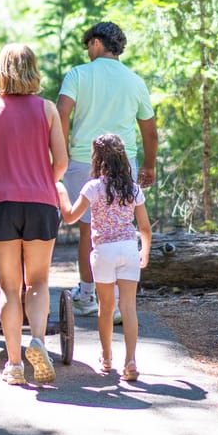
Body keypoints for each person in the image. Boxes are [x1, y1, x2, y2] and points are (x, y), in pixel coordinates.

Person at [0, 42, 68, 386]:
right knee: (37, 282)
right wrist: (41, 183)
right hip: (41, 203)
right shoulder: (48, 109)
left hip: (0, 204)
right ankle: (37, 340)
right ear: (33, 70)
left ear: (1, 71)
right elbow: (62, 162)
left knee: (9, 287)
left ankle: (14, 364)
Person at [57, 20, 157, 320]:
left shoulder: (77, 74)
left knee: (89, 227)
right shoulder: (135, 81)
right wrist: (149, 165)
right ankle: (115, 297)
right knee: (123, 225)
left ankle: (88, 296)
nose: (88, 51)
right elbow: (149, 131)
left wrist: (60, 154)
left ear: (97, 43)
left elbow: (61, 113)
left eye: (89, 45)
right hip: (123, 163)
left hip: (82, 160)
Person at [60, 133, 151, 381]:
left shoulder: (93, 188)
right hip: (129, 249)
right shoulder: (133, 189)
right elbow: (144, 227)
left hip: (103, 252)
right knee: (128, 308)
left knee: (106, 308)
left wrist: (60, 192)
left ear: (98, 159)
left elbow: (69, 217)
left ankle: (107, 357)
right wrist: (145, 250)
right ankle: (130, 362)